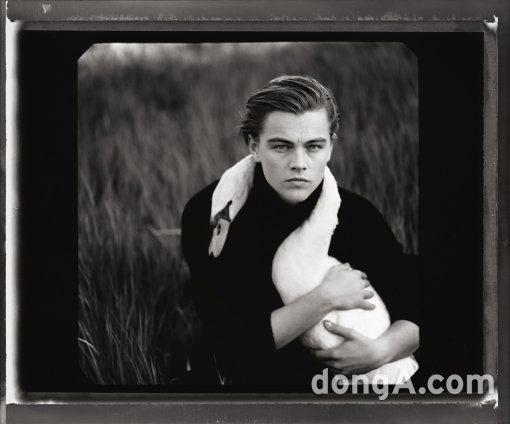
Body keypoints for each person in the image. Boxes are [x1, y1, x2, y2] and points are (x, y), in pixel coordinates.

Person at [181, 75, 420, 389]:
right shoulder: (212, 215)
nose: (299, 163)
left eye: (314, 146)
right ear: (254, 146)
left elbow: (418, 310)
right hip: (256, 387)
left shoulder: (356, 215)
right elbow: (234, 345)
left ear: (331, 146)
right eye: (281, 147)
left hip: (357, 385)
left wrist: (379, 351)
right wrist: (325, 297)